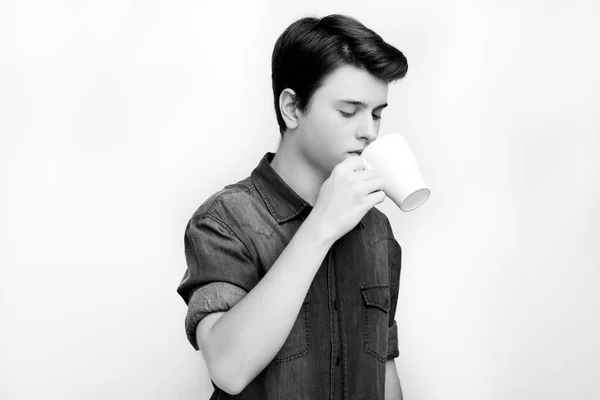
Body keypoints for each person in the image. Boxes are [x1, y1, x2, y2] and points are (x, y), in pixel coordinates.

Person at [177, 13, 408, 399]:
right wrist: (321, 226)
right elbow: (228, 368)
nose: (368, 130)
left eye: (377, 113)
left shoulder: (376, 232)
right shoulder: (224, 222)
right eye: (349, 111)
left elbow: (384, 367)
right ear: (292, 108)